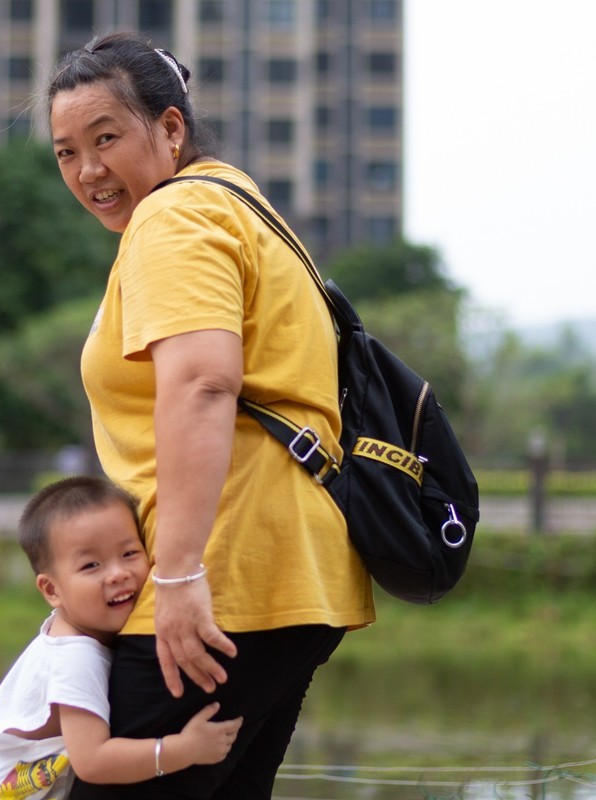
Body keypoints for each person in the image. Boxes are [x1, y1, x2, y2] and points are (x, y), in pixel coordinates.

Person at [44, 32, 377, 799]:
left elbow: (202, 384)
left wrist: (182, 572)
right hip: (290, 577)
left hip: (221, 577)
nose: (89, 170)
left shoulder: (176, 219)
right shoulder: (240, 202)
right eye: (66, 152)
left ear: (170, 127)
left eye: (106, 138)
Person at [0, 476, 243, 800]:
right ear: (52, 590)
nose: (117, 573)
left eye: (130, 553)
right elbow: (92, 761)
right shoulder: (75, 658)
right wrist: (182, 750)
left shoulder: (81, 633)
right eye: (91, 565)